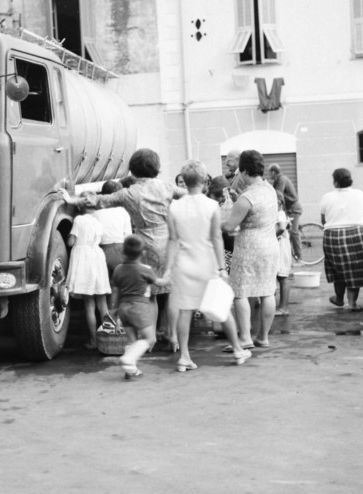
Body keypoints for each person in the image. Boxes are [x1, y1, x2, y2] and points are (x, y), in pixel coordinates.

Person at [65, 148, 185, 347]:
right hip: (169, 242)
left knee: (151, 295)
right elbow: (187, 194)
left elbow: (98, 200)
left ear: (133, 170)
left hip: (146, 244)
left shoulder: (129, 193)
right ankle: (172, 336)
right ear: (157, 168)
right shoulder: (166, 187)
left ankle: (149, 339)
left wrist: (72, 200)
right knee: (172, 292)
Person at [164, 160, 251, 371]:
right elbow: (216, 238)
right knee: (222, 308)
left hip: (183, 264)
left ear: (184, 182)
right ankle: (237, 350)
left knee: (185, 311)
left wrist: (167, 269)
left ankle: (184, 356)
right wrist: (222, 268)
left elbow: (172, 240)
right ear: (204, 181)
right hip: (207, 263)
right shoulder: (212, 206)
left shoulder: (174, 207)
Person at [223, 150, 279, 348]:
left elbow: (229, 225)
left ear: (245, 171)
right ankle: (263, 337)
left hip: (249, 247)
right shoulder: (269, 190)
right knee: (267, 291)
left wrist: (215, 222)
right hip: (270, 245)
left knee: (240, 292)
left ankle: (245, 338)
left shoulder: (246, 198)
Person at [319, 168, 363, 312]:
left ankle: (339, 298)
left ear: (335, 181)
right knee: (355, 269)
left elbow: (323, 220)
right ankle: (352, 303)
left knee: (338, 269)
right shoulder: (359, 194)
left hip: (333, 235)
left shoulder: (327, 197)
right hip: (357, 233)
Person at [110, 234, 167, 380]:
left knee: (132, 341)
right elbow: (159, 283)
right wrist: (169, 277)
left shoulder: (118, 269)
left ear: (123, 251)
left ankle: (131, 370)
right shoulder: (145, 269)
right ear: (143, 253)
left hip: (123, 308)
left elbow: (115, 291)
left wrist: (113, 309)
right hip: (139, 307)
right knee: (150, 339)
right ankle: (129, 359)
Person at [65, 203, 111, 350]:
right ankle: (109, 339)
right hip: (97, 257)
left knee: (89, 304)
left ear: (80, 208)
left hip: (84, 259)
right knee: (103, 304)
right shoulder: (98, 221)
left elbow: (71, 242)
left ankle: (94, 340)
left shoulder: (79, 219)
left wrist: (68, 236)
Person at [94, 180, 132, 279]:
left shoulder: (96, 214)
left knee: (104, 282)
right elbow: (128, 235)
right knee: (122, 281)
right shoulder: (123, 211)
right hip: (121, 249)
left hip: (102, 250)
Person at [267, 163, 303, 262]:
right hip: (289, 208)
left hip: (293, 209)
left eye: (269, 172)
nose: (269, 175)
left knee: (293, 232)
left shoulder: (281, 180)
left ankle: (299, 258)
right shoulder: (278, 180)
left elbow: (278, 195)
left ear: (273, 172)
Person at [275, 196, 292, 316]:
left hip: (281, 249)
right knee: (281, 276)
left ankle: (283, 308)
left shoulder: (280, 214)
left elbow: (281, 227)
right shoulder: (281, 213)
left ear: (279, 203)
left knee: (282, 277)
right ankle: (282, 306)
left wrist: (272, 236)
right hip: (281, 247)